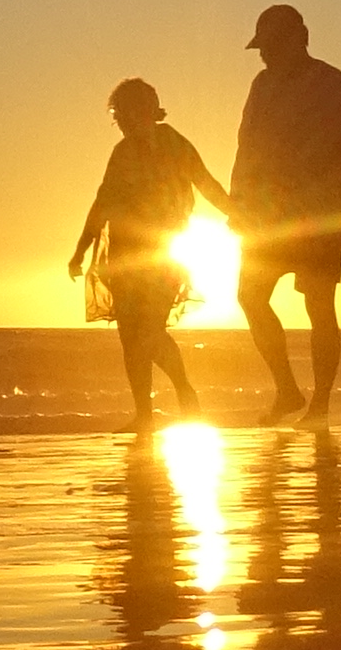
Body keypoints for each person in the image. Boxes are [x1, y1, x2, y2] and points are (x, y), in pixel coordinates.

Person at [229, 3, 341, 421]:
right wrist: (238, 200)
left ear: (298, 39)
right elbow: (246, 147)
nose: (264, 55)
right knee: (250, 297)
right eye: (261, 48)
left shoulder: (332, 84)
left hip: (319, 215)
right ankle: (287, 391)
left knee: (319, 305)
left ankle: (321, 403)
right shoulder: (261, 85)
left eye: (270, 46)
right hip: (266, 216)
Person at [66, 76, 226, 425]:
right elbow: (102, 203)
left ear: (149, 110)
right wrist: (80, 250)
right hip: (123, 257)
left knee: (150, 333)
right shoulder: (121, 152)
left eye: (127, 113)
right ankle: (144, 415)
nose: (122, 122)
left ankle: (184, 389)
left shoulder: (174, 143)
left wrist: (239, 214)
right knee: (130, 338)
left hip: (164, 254)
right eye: (119, 116)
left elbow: (206, 182)